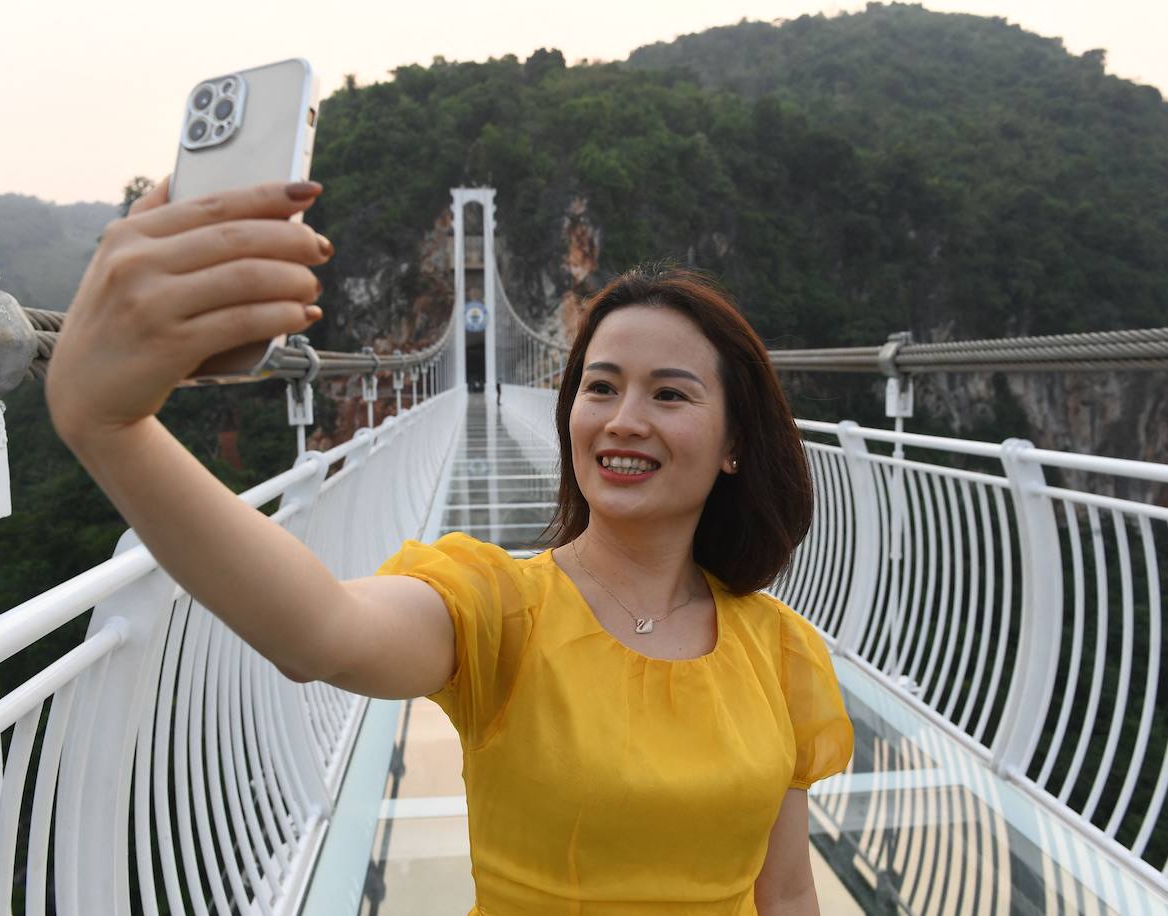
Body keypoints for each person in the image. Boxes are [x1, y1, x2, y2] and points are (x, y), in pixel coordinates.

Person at [46, 179, 853, 915]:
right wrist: (111, 428)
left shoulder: (780, 652)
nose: (622, 420)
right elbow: (320, 630)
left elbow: (784, 896)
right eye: (600, 387)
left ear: (735, 443)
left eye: (669, 393)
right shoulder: (499, 608)